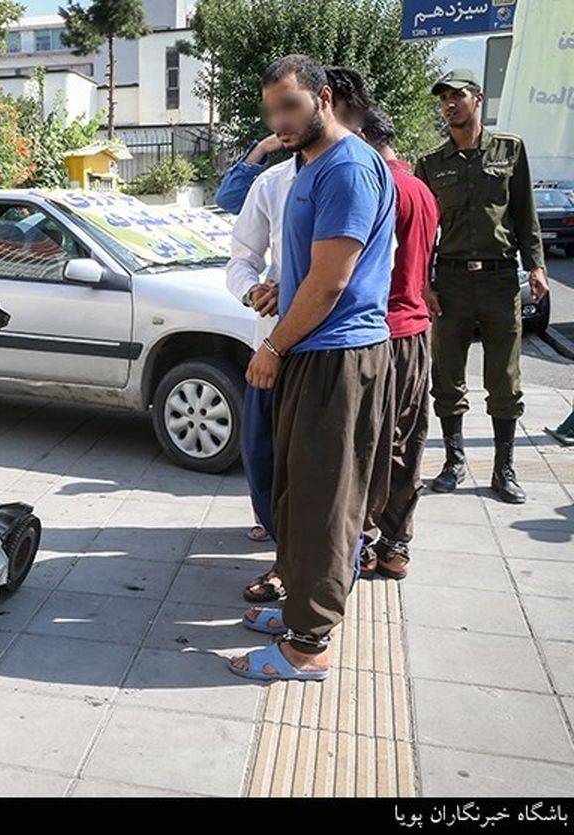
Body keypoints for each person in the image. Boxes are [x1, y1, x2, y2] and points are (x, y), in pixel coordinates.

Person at [228, 54, 394, 683]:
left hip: (337, 356)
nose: (280, 120)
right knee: (296, 496)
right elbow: (300, 271)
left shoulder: (348, 168)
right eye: (272, 110)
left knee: (325, 504)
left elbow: (330, 284)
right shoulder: (306, 164)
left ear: (324, 98)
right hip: (311, 352)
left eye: (291, 106)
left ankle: (308, 646)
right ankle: (299, 609)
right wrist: (272, 293)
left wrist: (272, 348)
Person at [414, 68, 550, 504]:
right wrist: (423, 284)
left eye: (457, 96)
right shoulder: (431, 164)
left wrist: (536, 266)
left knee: (504, 380)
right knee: (448, 377)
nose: (449, 105)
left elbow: (526, 212)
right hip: (450, 281)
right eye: (444, 99)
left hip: (498, 280)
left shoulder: (510, 151)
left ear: (479, 99)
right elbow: (420, 232)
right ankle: (454, 463)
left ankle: (503, 469)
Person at [356, 107, 439, 581]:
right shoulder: (423, 190)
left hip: (381, 331)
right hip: (415, 331)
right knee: (408, 440)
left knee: (369, 442)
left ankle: (363, 541)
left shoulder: (377, 187)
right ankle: (396, 545)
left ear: (365, 139)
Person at [226, 140, 298, 601]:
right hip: (272, 348)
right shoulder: (274, 182)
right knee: (262, 454)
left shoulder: (359, 175)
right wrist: (255, 290)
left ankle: (300, 567)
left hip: (334, 352)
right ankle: (283, 547)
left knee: (314, 467)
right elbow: (241, 259)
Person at [214, 66, 372, 214]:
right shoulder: (278, 180)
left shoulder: (365, 173)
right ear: (323, 102)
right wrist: (261, 148)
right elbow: (229, 199)